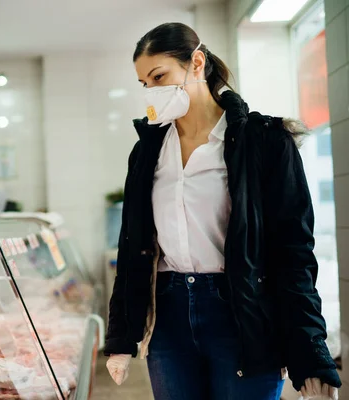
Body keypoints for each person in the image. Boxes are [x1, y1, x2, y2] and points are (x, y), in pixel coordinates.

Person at [104, 22, 341, 400]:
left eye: (159, 76)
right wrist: (120, 336)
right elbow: (132, 246)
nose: (152, 91)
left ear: (196, 63)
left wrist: (310, 352)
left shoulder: (265, 142)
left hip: (242, 313)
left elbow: (294, 253)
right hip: (168, 314)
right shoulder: (148, 150)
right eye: (145, 83)